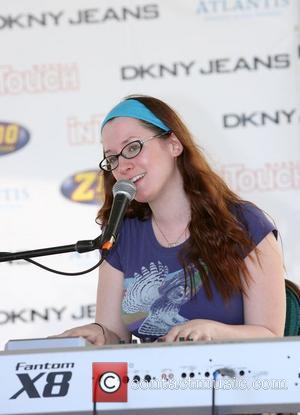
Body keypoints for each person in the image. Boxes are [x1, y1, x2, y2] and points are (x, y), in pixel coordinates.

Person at [56, 95, 286, 345]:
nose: (122, 166)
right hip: (152, 383)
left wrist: (213, 331)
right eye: (112, 158)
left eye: (132, 148)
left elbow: (271, 335)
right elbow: (115, 336)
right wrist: (99, 334)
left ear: (174, 144)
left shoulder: (244, 223)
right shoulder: (121, 234)